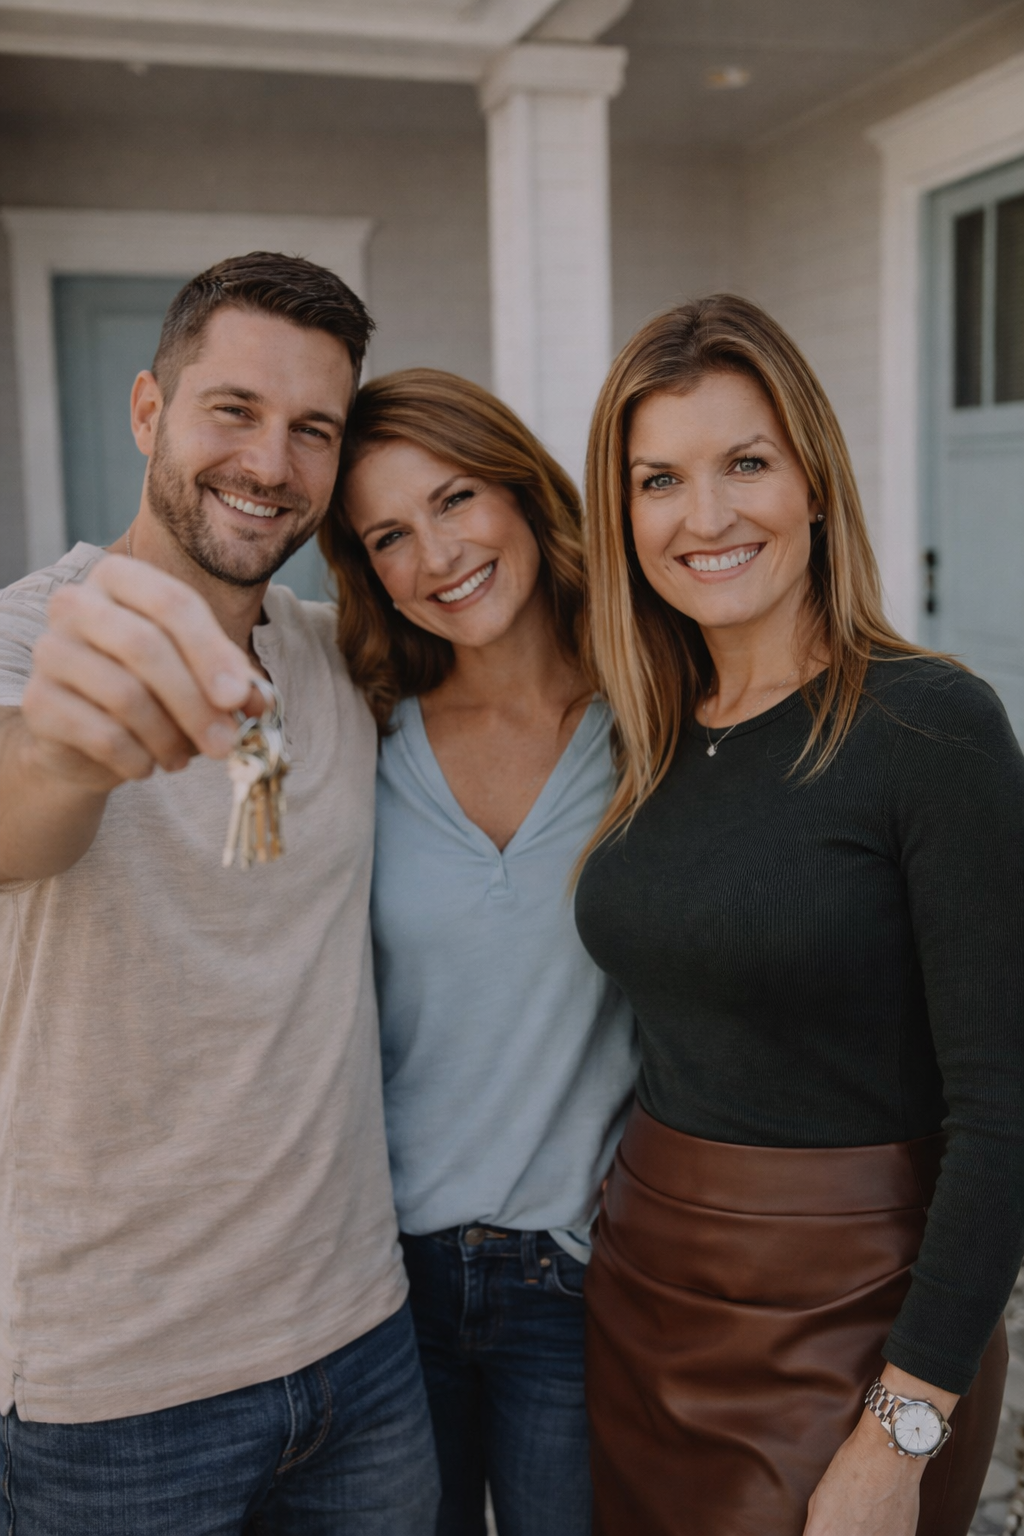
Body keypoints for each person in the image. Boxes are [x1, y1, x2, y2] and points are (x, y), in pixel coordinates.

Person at [0, 253, 440, 1535]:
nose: (269, 462)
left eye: (313, 429)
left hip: (362, 1341)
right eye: (233, 411)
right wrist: (68, 751)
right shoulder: (32, 642)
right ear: (150, 411)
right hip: (114, 1393)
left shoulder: (335, 656)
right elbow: (19, 804)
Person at [573, 294, 1024, 1536]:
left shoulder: (930, 726)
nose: (705, 517)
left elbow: (1005, 1113)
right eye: (659, 480)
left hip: (856, 1317)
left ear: (814, 483)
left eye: (746, 464)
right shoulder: (648, 729)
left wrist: (899, 1438)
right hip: (647, 1296)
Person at [320, 367, 638, 1536]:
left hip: (577, 1270)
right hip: (382, 1282)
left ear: (521, 490)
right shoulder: (363, 731)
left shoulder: (651, 717)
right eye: (389, 536)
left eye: (454, 498)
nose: (437, 555)